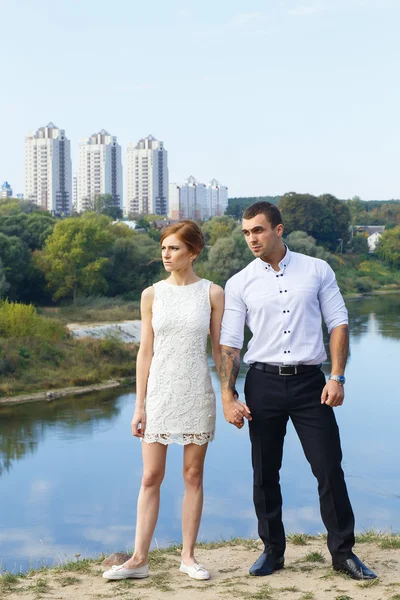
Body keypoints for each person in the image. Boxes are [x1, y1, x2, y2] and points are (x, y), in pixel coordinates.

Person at [219, 201, 377, 581]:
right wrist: (228, 396)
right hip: (262, 383)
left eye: (257, 230)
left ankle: (343, 554)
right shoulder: (239, 282)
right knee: (264, 472)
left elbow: (338, 322)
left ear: (278, 229)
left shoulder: (316, 269)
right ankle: (272, 551)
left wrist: (336, 377)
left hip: (311, 383)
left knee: (328, 468)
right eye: (246, 232)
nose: (251, 238)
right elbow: (230, 344)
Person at [103, 220, 224, 582]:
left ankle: (188, 558)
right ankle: (139, 559)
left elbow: (220, 351)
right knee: (151, 475)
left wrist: (230, 393)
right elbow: (145, 352)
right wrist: (139, 405)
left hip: (196, 391)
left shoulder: (212, 293)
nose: (166, 255)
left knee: (193, 474)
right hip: (159, 394)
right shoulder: (151, 293)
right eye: (163, 249)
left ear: (193, 252)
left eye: (174, 248)